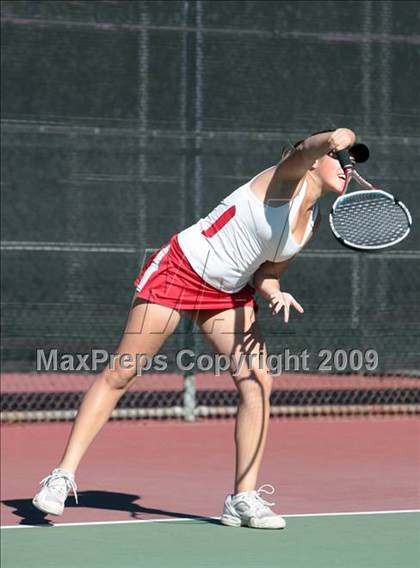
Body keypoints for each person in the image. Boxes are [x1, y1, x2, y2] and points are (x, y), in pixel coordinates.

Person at [32, 128, 368, 529]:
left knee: (258, 382)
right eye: (341, 158)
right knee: (123, 371)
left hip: (227, 293)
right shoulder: (282, 182)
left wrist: (275, 291)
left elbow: (268, 273)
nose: (349, 167)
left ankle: (242, 498)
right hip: (181, 270)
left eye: (355, 162)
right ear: (315, 159)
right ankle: (61, 477)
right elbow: (305, 149)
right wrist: (334, 136)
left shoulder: (309, 221)